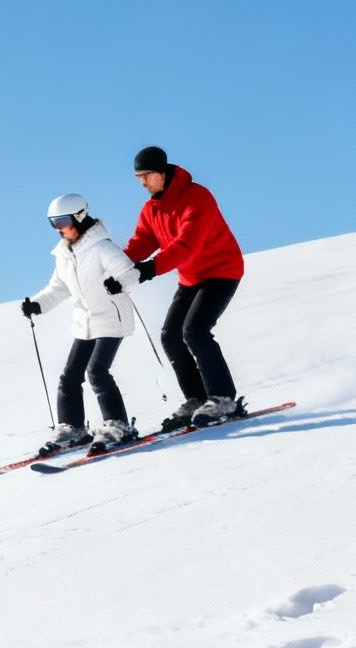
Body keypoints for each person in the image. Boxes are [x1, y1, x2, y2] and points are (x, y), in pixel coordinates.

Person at [114, 145, 247, 429]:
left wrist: (150, 269)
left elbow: (187, 246)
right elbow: (142, 241)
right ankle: (197, 399)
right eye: (138, 177)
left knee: (195, 330)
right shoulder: (151, 208)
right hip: (191, 277)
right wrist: (118, 267)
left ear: (162, 172)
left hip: (222, 271)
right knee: (170, 335)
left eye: (146, 175)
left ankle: (224, 398)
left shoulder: (197, 197)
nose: (142, 182)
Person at [20, 193, 143, 457]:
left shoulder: (102, 247)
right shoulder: (64, 255)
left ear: (79, 216)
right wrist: (37, 305)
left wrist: (118, 283)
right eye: (53, 223)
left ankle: (118, 426)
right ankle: (73, 428)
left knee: (97, 372)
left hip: (111, 319)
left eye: (62, 221)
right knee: (69, 376)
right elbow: (58, 288)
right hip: (84, 323)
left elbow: (129, 273)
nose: (59, 229)